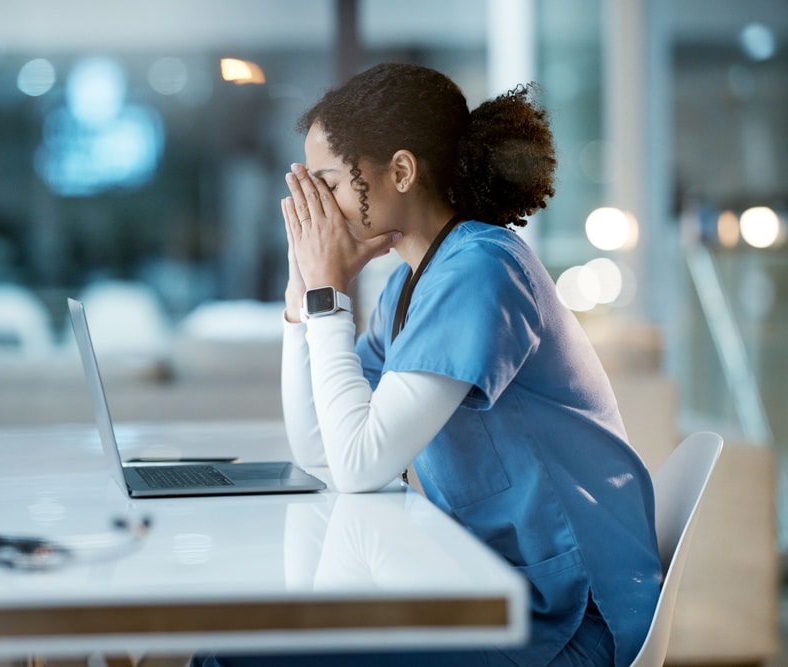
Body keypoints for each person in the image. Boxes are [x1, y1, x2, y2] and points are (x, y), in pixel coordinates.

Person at [195, 63, 660, 666]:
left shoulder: (481, 270)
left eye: (329, 183)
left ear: (402, 171)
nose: (321, 210)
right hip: (480, 588)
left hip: (562, 619)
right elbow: (323, 454)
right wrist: (300, 298)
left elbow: (360, 465)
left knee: (231, 655)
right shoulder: (409, 287)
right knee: (234, 647)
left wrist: (329, 297)